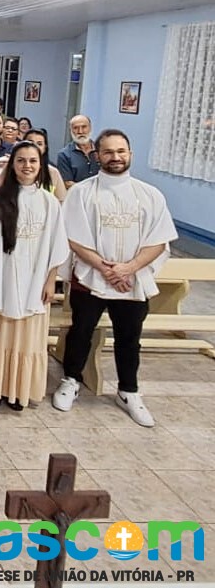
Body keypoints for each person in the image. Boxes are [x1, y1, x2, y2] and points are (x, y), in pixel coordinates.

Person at [52, 130, 177, 427]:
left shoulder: (149, 194)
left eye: (121, 151)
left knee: (129, 339)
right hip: (90, 277)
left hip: (132, 280)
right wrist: (107, 269)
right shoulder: (82, 192)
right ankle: (71, 380)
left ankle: (128, 390)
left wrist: (129, 268)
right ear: (97, 155)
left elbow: (159, 240)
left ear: (130, 154)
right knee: (81, 331)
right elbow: (72, 237)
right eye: (108, 152)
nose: (115, 157)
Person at [0, 142, 69, 410]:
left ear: (41, 166)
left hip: (36, 278)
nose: (27, 166)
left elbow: (57, 245)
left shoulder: (49, 202)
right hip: (3, 275)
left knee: (26, 337)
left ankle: (20, 390)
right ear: (12, 165)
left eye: (33, 161)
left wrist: (51, 280)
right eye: (21, 161)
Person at [56, 114, 100, 188]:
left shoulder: (101, 150)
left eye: (84, 127)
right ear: (71, 130)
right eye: (75, 128)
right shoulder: (64, 154)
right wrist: (90, 191)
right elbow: (67, 183)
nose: (80, 131)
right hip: (76, 196)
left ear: (90, 128)